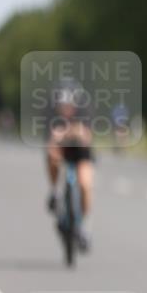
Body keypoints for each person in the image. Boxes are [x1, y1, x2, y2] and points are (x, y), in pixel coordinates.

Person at [46, 80, 95, 250]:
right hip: (62, 150)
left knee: (85, 185)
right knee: (51, 156)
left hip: (81, 152)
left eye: (68, 105)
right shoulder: (51, 114)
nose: (65, 109)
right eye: (62, 105)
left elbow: (86, 137)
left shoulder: (84, 111)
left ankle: (84, 226)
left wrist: (66, 133)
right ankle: (55, 191)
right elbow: (51, 142)